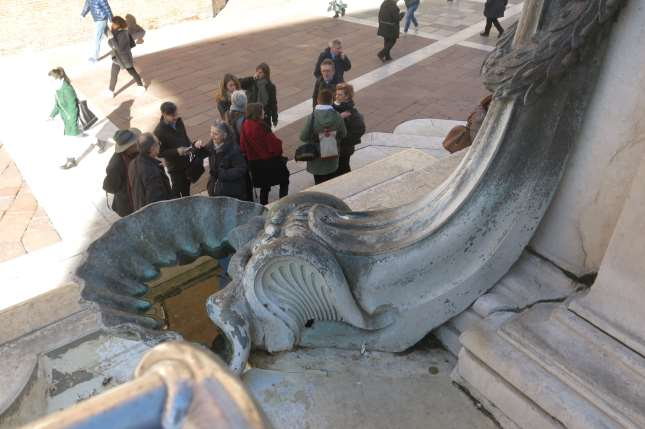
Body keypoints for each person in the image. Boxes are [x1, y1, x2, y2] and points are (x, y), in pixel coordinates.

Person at [239, 103, 290, 205]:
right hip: (270, 161)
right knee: (284, 180)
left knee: (264, 186)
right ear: (257, 113)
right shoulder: (261, 126)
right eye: (262, 110)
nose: (264, 112)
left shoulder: (245, 125)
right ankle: (284, 203)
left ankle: (264, 205)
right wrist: (279, 145)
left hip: (254, 162)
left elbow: (243, 146)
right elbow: (274, 145)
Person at [301, 89, 347, 185]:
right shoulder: (338, 116)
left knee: (319, 184)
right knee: (331, 183)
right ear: (331, 101)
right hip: (332, 157)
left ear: (318, 100)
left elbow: (303, 137)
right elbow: (343, 134)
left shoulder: (312, 117)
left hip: (316, 158)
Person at [194, 122, 249, 200]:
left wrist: (223, 174)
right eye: (211, 132)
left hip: (229, 191)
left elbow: (241, 169)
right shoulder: (212, 144)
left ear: (224, 135)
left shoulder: (233, 150)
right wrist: (196, 146)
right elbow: (203, 153)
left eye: (215, 134)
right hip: (215, 187)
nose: (212, 136)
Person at [154, 102, 194, 198]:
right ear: (164, 114)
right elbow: (159, 152)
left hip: (186, 162)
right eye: (172, 115)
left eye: (176, 114)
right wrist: (177, 151)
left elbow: (184, 136)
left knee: (186, 187)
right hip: (174, 167)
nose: (176, 117)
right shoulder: (159, 131)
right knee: (176, 190)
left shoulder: (179, 121)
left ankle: (187, 203)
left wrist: (190, 146)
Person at [128, 133, 172, 211]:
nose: (160, 145)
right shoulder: (152, 173)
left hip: (140, 209)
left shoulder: (133, 163)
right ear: (152, 148)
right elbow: (157, 203)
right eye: (158, 143)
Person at [102, 129, 140, 217]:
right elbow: (110, 187)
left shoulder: (136, 152)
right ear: (128, 147)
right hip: (129, 205)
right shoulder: (115, 165)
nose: (138, 144)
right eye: (135, 143)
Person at [107, 16, 145, 98]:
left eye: (113, 24)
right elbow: (131, 44)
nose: (112, 25)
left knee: (132, 72)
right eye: (112, 23)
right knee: (114, 74)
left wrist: (111, 38)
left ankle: (141, 86)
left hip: (124, 58)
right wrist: (112, 39)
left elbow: (118, 47)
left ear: (118, 24)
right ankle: (110, 91)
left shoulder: (123, 33)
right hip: (117, 57)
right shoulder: (118, 32)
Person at [332, 83, 365, 177]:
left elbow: (360, 130)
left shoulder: (351, 112)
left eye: (340, 94)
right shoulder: (333, 107)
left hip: (344, 148)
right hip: (334, 146)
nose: (336, 96)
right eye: (336, 94)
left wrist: (342, 139)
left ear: (347, 97)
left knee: (343, 168)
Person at [240, 63, 278, 129]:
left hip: (264, 115)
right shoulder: (252, 82)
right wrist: (252, 78)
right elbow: (239, 83)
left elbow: (273, 103)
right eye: (257, 72)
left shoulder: (270, 87)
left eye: (260, 72)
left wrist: (274, 118)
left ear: (265, 74)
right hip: (251, 114)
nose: (258, 74)